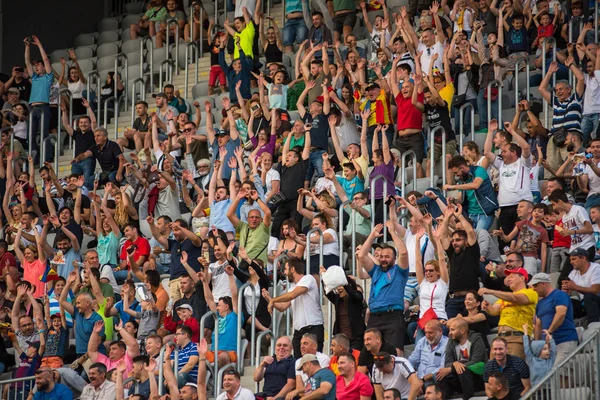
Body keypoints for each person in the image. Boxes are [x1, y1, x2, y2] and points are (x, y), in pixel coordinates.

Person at [357, 223, 409, 354]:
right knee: (368, 354)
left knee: (395, 353)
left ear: (394, 259)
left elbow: (403, 252)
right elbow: (362, 256)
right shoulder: (376, 271)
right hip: (375, 318)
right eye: (381, 257)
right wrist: (372, 236)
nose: (383, 259)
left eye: (387, 257)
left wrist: (392, 232)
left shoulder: (400, 271)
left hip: (393, 316)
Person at [266, 258, 324, 357]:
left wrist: (273, 300)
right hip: (298, 331)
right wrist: (269, 299)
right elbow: (283, 307)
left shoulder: (308, 278)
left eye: (286, 269)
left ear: (292, 269)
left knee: (314, 361)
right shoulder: (292, 287)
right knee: (298, 364)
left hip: (313, 327)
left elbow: (292, 295)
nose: (284, 272)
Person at [479, 267, 538, 359]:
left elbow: (515, 298)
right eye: (508, 277)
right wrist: (487, 306)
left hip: (516, 339)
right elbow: (494, 311)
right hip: (500, 340)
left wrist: (491, 291)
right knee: (494, 372)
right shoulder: (505, 297)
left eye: (512, 277)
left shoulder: (530, 292)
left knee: (513, 371)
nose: (508, 279)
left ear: (522, 278)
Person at [439, 204, 480, 318]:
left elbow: (470, 232)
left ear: (466, 241)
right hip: (453, 300)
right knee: (447, 327)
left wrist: (459, 216)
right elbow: (443, 237)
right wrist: (447, 217)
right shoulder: (452, 253)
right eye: (453, 241)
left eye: (458, 240)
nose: (454, 243)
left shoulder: (472, 251)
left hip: (470, 299)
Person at [529, 272, 578, 366]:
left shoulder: (559, 295)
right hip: (548, 346)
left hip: (564, 340)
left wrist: (549, 332)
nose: (534, 289)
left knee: (560, 374)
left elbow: (561, 314)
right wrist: (537, 345)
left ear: (543, 283)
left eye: (535, 285)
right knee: (549, 376)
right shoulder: (540, 303)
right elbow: (538, 325)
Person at [437, 319, 487, 399]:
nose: (449, 333)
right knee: (440, 375)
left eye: (452, 330)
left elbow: (475, 361)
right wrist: (454, 364)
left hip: (477, 376)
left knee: (463, 371)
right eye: (450, 330)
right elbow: (447, 362)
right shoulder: (451, 340)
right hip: (459, 377)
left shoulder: (476, 338)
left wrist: (452, 368)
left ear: (462, 330)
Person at [200, 264, 239, 367]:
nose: (217, 308)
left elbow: (234, 296)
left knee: (223, 357)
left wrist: (230, 276)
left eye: (219, 306)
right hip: (214, 353)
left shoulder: (235, 316)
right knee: (196, 354)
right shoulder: (217, 317)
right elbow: (209, 299)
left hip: (229, 353)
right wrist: (204, 282)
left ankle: (223, 380)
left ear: (226, 307)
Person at [563, 247, 600, 323]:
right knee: (566, 301)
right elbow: (568, 292)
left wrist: (575, 287)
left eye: (574, 259)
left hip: (597, 301)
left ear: (583, 258)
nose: (571, 262)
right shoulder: (573, 273)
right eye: (570, 260)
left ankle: (593, 326)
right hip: (584, 304)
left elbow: (596, 290)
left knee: (589, 297)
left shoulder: (596, 268)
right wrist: (565, 290)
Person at [408, 320, 448, 388]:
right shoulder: (422, 341)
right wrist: (413, 379)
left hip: (434, 380)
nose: (427, 335)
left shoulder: (447, 344)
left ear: (440, 331)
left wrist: (423, 380)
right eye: (426, 332)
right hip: (418, 380)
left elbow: (442, 367)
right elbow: (412, 361)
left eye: (430, 333)